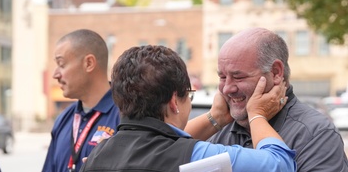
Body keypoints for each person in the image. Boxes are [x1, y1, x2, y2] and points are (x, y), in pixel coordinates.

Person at [80, 45, 296, 172]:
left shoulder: (96, 156)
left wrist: (216, 118)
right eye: (188, 95)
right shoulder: (195, 158)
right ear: (175, 101)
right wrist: (257, 114)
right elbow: (280, 164)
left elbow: (155, 140)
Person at [186, 27, 348, 172]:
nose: (228, 88)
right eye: (222, 77)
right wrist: (214, 119)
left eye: (238, 77)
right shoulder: (221, 129)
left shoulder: (315, 133)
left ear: (276, 72)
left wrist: (256, 115)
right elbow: (165, 151)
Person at [42, 29, 120, 172]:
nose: (55, 75)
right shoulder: (64, 120)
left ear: (89, 63)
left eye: (62, 64)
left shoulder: (125, 116)